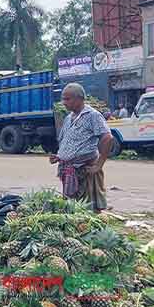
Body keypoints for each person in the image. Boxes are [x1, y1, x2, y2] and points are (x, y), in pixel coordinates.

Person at [49, 83, 113, 212]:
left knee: (87, 210)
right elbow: (68, 141)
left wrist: (98, 165)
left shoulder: (92, 115)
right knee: (72, 208)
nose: (64, 102)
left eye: (67, 99)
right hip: (69, 171)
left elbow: (107, 138)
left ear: (79, 99)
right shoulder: (68, 118)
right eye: (63, 99)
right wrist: (59, 156)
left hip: (85, 170)